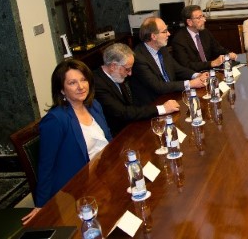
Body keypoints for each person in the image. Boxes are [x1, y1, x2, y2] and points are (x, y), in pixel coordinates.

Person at [23, 60, 112, 224]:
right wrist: (42, 205)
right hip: (76, 189)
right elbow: (46, 165)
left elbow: (107, 140)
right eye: (72, 83)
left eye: (83, 80)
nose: (81, 86)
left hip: (102, 175)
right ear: (62, 90)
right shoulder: (56, 120)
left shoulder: (93, 106)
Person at [94, 43, 179, 135]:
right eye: (127, 69)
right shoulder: (97, 83)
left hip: (131, 124)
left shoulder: (116, 74)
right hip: (117, 134)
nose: (130, 73)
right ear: (113, 66)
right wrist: (162, 109)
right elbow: (122, 112)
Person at [131, 17, 208, 105]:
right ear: (153, 36)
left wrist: (197, 75)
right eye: (164, 31)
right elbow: (158, 86)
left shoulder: (162, 49)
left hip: (171, 96)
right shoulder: (139, 58)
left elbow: (177, 69)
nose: (169, 34)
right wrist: (190, 84)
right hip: (154, 104)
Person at [171, 5, 237, 71]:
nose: (204, 20)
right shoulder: (179, 40)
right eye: (199, 18)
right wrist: (211, 63)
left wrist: (228, 54)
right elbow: (187, 65)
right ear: (189, 22)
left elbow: (218, 49)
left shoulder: (205, 32)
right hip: (194, 75)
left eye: (203, 16)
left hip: (210, 71)